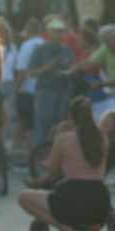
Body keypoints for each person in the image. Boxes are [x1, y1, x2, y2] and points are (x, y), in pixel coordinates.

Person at [19, 96, 111, 231]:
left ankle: (64, 229)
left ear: (70, 116)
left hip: (73, 198)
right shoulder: (103, 139)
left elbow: (51, 169)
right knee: (88, 201)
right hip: (100, 200)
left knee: (24, 197)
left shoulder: (66, 139)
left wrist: (58, 135)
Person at [71, 25, 115, 111]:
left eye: (108, 41)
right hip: (112, 85)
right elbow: (89, 62)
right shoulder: (107, 47)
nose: (106, 45)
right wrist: (71, 70)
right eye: (104, 42)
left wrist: (102, 84)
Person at [29, 18, 75, 146]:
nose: (58, 34)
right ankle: (37, 157)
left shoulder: (66, 49)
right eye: (55, 31)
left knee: (62, 124)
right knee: (42, 124)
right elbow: (31, 72)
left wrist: (68, 66)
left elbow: (74, 67)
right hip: (45, 91)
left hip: (62, 91)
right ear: (49, 32)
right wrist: (47, 67)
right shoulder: (40, 49)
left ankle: (59, 155)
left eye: (60, 31)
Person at [12, 17, 44, 155]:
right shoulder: (44, 44)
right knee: (41, 125)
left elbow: (22, 71)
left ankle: (31, 159)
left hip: (27, 90)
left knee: (28, 126)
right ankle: (41, 157)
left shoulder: (27, 45)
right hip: (42, 89)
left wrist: (16, 89)